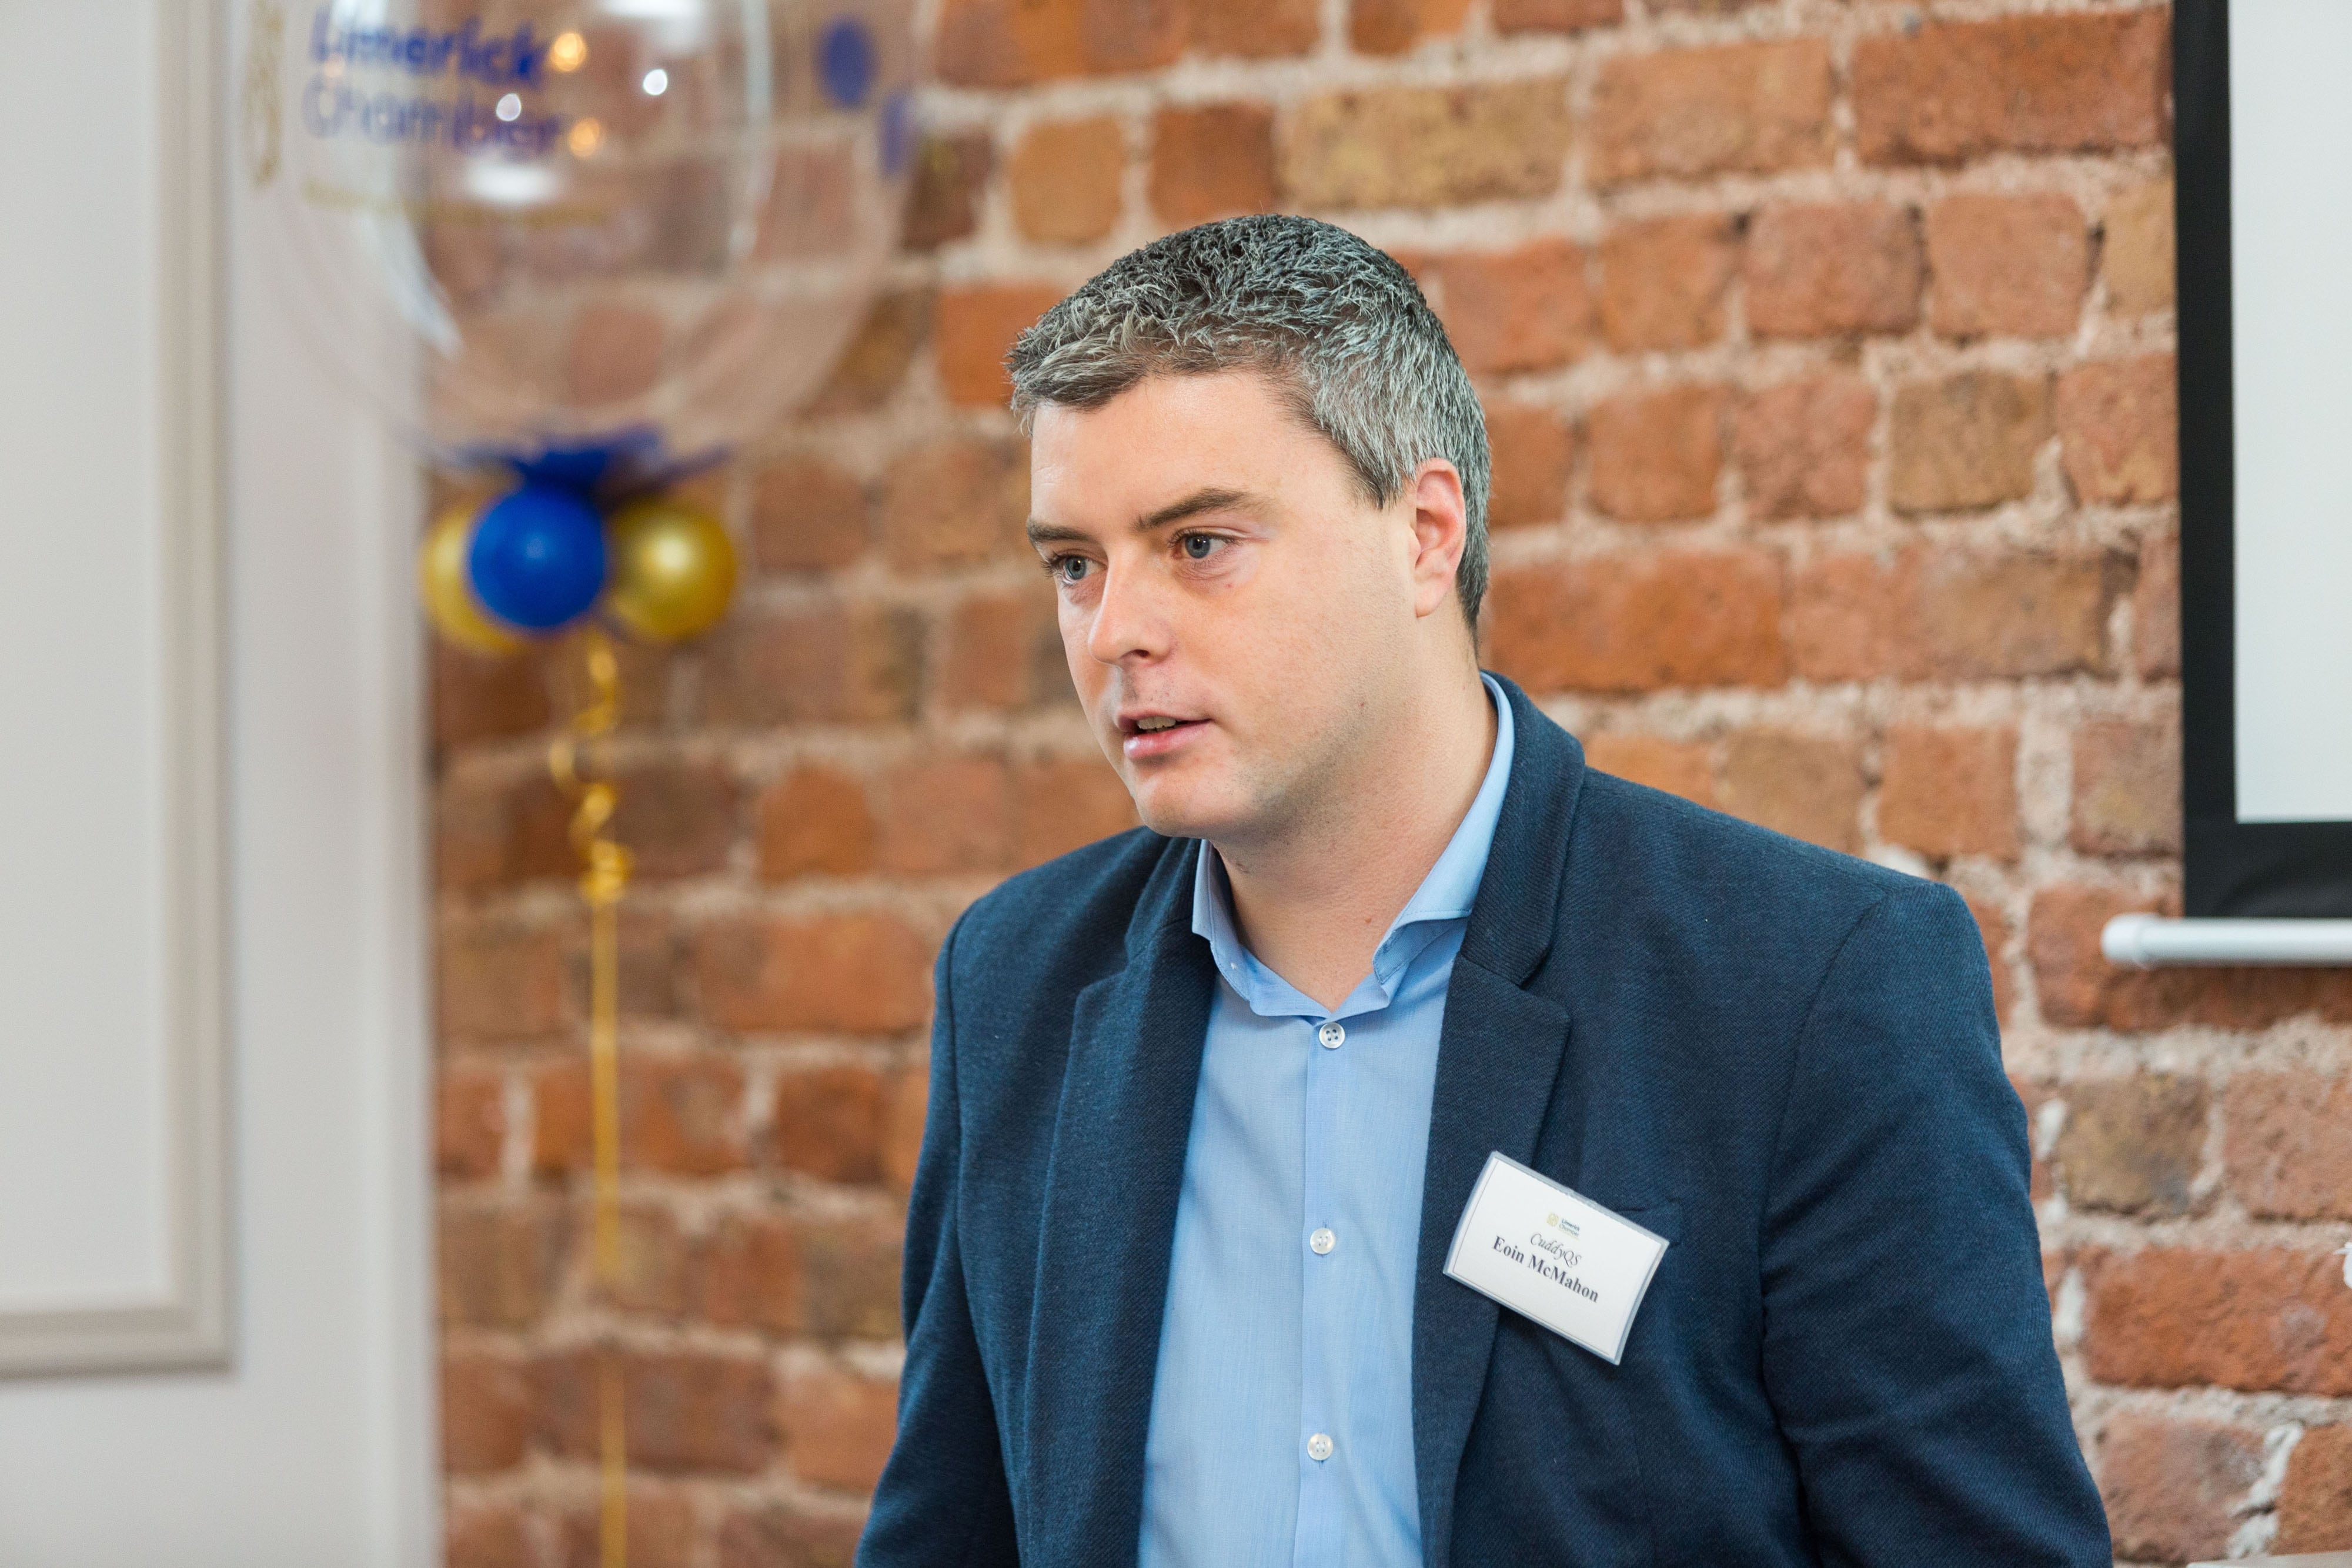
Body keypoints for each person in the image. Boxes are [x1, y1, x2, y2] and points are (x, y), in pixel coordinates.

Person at [857, 215, 2109, 1567]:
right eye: (1072, 564)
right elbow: (948, 1526)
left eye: (1199, 544)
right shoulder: (1017, 977)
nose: (1116, 631)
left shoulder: (1810, 985)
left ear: (1424, 532)